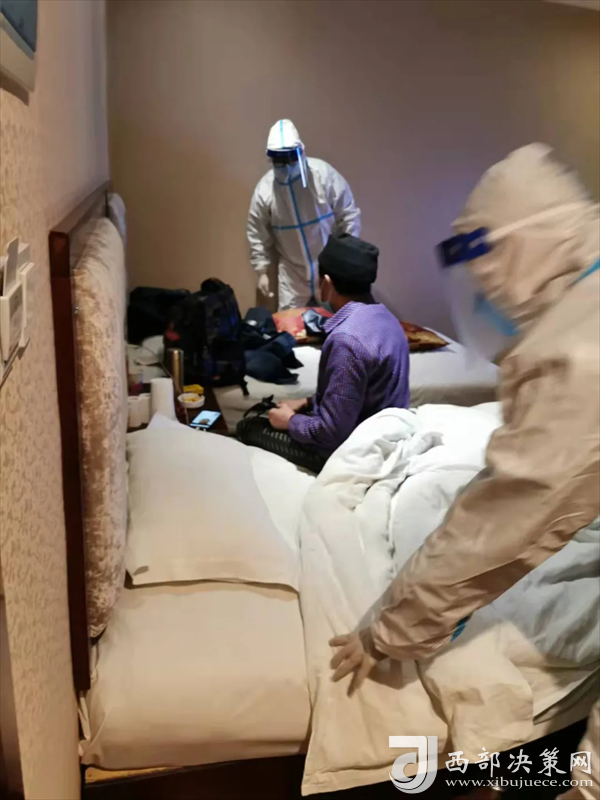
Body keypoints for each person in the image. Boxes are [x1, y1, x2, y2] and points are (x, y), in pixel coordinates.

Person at [328, 145, 600, 799]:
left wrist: (392, 627)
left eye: (490, 278)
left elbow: (505, 515)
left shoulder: (578, 353)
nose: (490, 300)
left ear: (519, 251)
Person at [268, 232, 410, 457]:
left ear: (326, 283)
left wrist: (290, 421)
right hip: (389, 437)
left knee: (253, 429)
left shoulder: (346, 340)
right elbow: (358, 395)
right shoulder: (388, 319)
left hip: (358, 451)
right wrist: (308, 402)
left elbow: (331, 434)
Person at [247, 119, 361, 310]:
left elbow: (348, 214)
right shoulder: (265, 190)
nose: (286, 165)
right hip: (293, 275)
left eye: (291, 158)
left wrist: (346, 257)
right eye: (280, 160)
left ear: (301, 153)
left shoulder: (323, 175)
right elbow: (256, 232)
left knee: (338, 321)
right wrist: (262, 271)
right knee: (289, 326)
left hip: (328, 270)